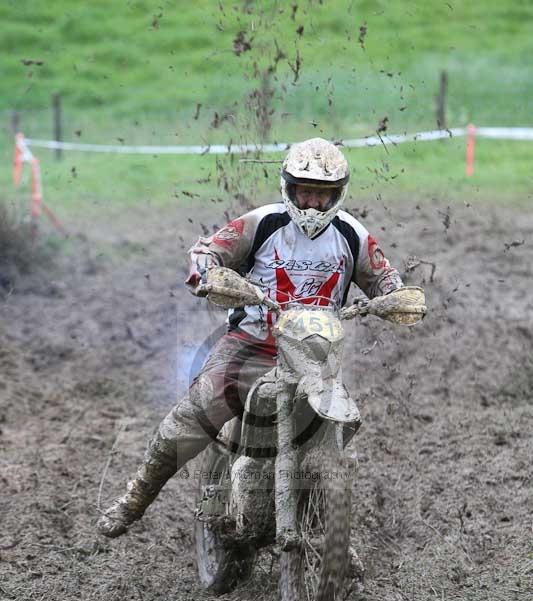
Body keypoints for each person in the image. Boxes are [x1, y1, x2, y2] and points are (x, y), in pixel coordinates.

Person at [97, 137, 404, 538]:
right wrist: (207, 273)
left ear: (337, 195)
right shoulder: (262, 223)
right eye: (305, 192)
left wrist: (396, 297)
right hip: (252, 346)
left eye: (322, 194)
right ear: (290, 188)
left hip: (316, 354)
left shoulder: (353, 236)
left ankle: (331, 536)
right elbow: (207, 251)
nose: (311, 203)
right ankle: (134, 498)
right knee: (198, 412)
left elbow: (384, 277)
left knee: (338, 429)